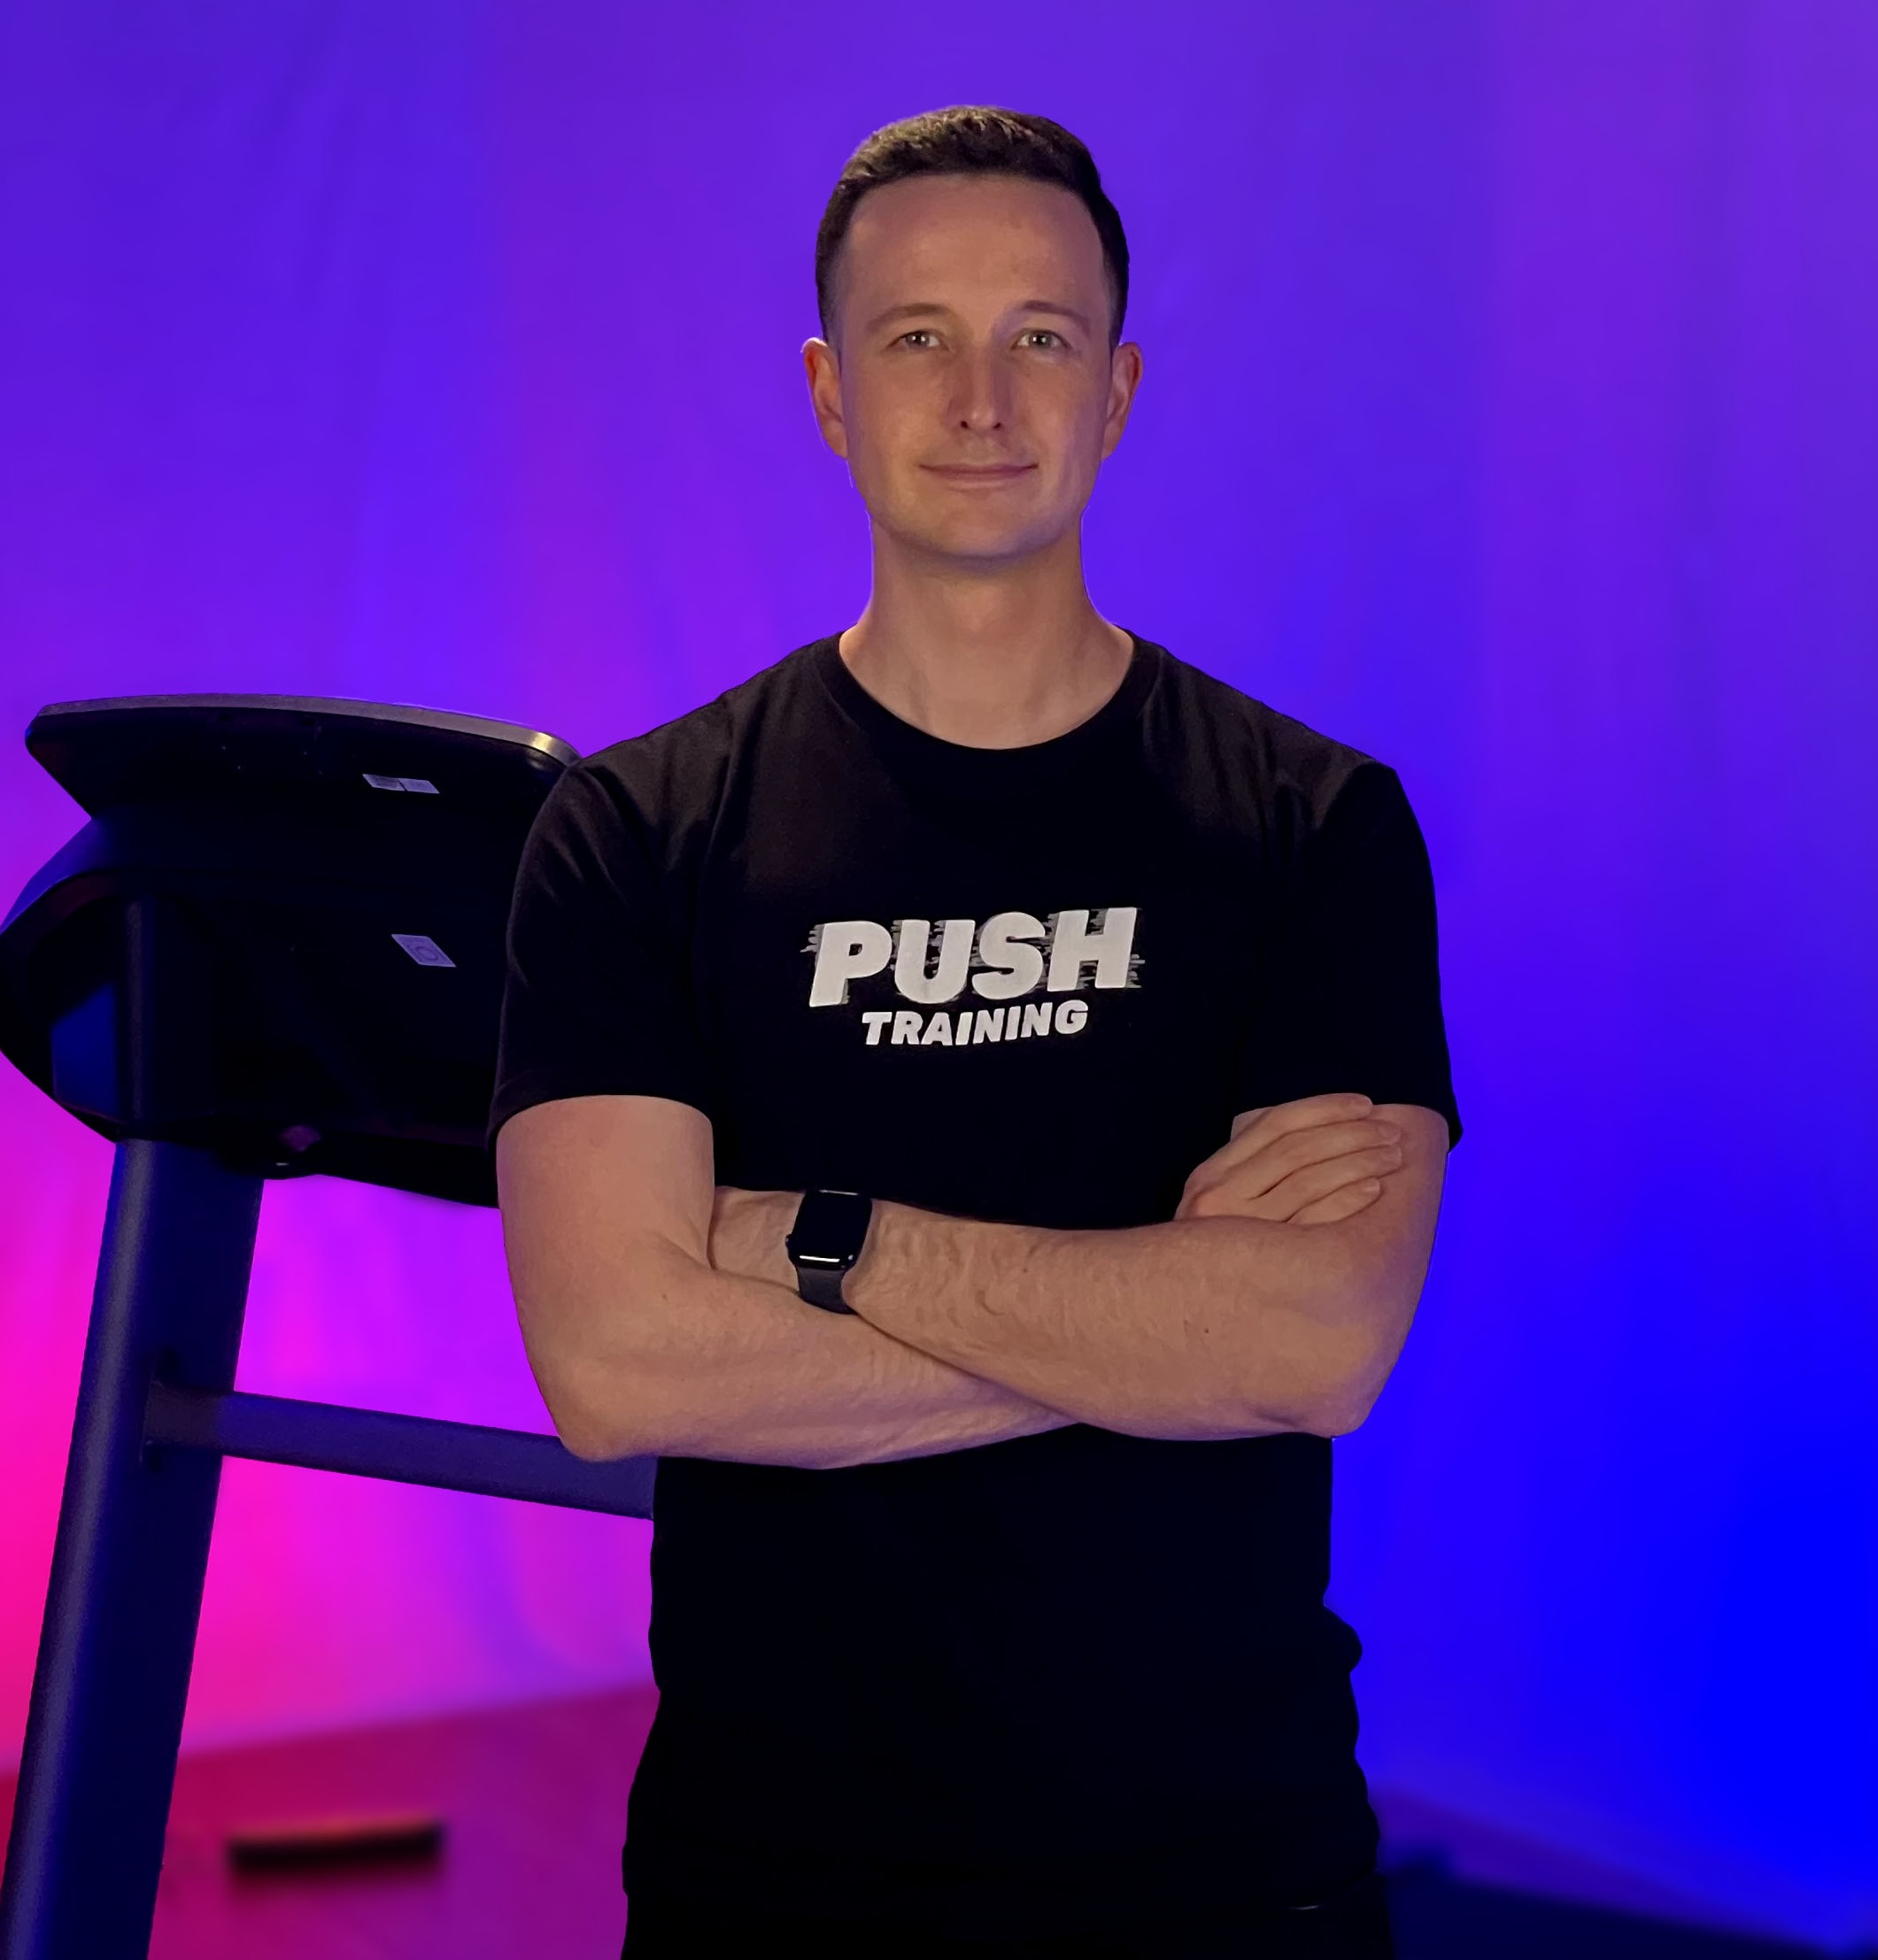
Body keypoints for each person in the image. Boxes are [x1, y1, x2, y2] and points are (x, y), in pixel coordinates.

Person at [491, 106, 1459, 1958]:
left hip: (1225, 1868)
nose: (979, 397)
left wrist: (812, 1244)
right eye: (914, 338)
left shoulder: (1311, 828)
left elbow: (1319, 1346)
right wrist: (1164, 1318)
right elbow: (618, 1366)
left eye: (1039, 335)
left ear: (1117, 389)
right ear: (827, 391)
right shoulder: (634, 834)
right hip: (774, 1879)